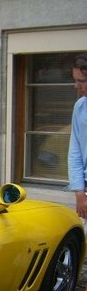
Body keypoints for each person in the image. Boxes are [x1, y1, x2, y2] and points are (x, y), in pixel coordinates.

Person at [67, 53, 87, 218]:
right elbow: (75, 152)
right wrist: (79, 192)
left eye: (81, 81)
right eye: (75, 80)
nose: (76, 86)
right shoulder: (80, 107)